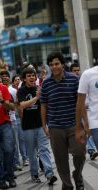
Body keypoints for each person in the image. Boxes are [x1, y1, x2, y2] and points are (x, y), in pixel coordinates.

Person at [40, 52, 86, 190]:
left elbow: (80, 102)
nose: (54, 67)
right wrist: (44, 125)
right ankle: (67, 185)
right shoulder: (46, 83)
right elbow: (43, 105)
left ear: (62, 64)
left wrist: (83, 125)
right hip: (55, 127)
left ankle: (77, 175)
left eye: (56, 63)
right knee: (60, 160)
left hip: (74, 125)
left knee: (80, 153)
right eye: (51, 64)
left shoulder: (74, 79)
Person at [17, 67, 57, 184]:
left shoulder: (39, 89)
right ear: (24, 79)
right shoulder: (21, 91)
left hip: (41, 125)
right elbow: (23, 105)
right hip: (28, 126)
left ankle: (49, 173)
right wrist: (36, 98)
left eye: (33, 75)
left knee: (44, 149)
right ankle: (34, 174)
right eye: (29, 76)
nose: (32, 77)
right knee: (32, 152)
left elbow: (45, 106)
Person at [70, 62, 98, 160]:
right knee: (86, 132)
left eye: (78, 70)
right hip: (86, 115)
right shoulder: (87, 75)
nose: (77, 72)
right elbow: (79, 102)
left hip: (88, 112)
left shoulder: (83, 77)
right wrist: (81, 125)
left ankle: (91, 149)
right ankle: (91, 149)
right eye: (74, 71)